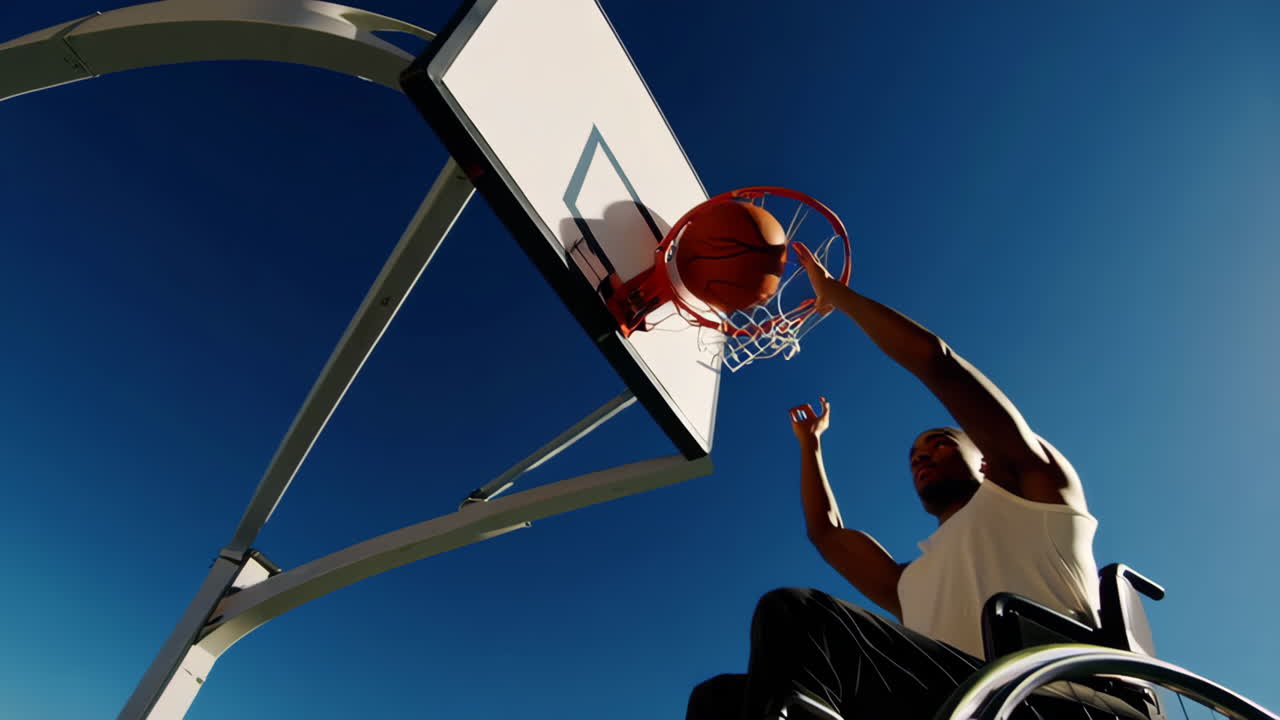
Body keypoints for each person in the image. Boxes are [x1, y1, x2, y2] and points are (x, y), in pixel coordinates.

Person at [685, 243, 1144, 720]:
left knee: (798, 614)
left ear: (982, 453)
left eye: (940, 444)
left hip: (1058, 701)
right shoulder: (909, 583)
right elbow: (827, 534)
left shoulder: (1037, 495)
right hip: (959, 704)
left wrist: (837, 296)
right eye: (914, 456)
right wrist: (810, 447)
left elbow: (937, 362)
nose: (922, 456)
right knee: (718, 700)